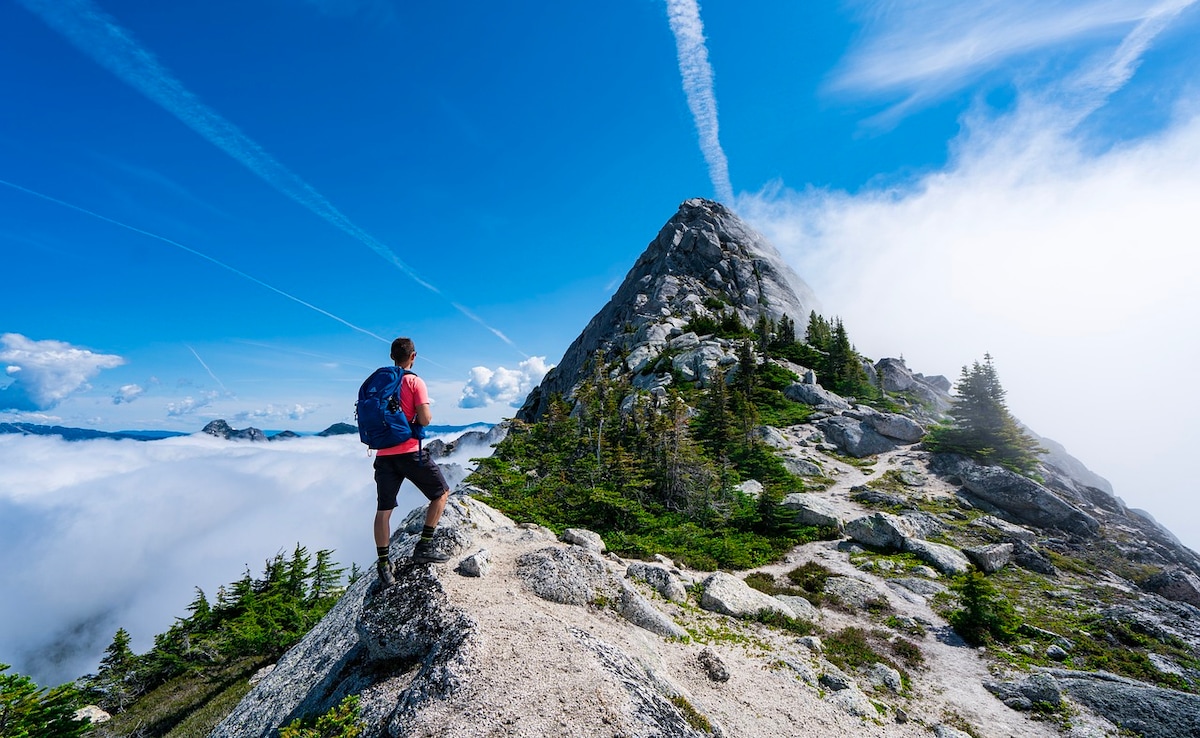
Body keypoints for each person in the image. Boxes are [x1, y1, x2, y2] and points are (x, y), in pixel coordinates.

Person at [373, 337, 450, 587]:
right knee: (441, 493)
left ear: (392, 357)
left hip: (384, 455)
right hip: (409, 452)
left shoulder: (380, 383)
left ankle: (384, 565)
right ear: (413, 356)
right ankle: (424, 546)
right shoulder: (415, 381)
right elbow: (425, 419)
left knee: (383, 512)